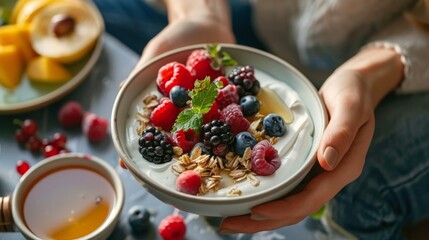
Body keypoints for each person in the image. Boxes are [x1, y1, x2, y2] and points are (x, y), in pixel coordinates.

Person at [94, 0, 429, 239]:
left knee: (363, 187)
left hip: (410, 47)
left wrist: (370, 74)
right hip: (268, 18)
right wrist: (197, 11)